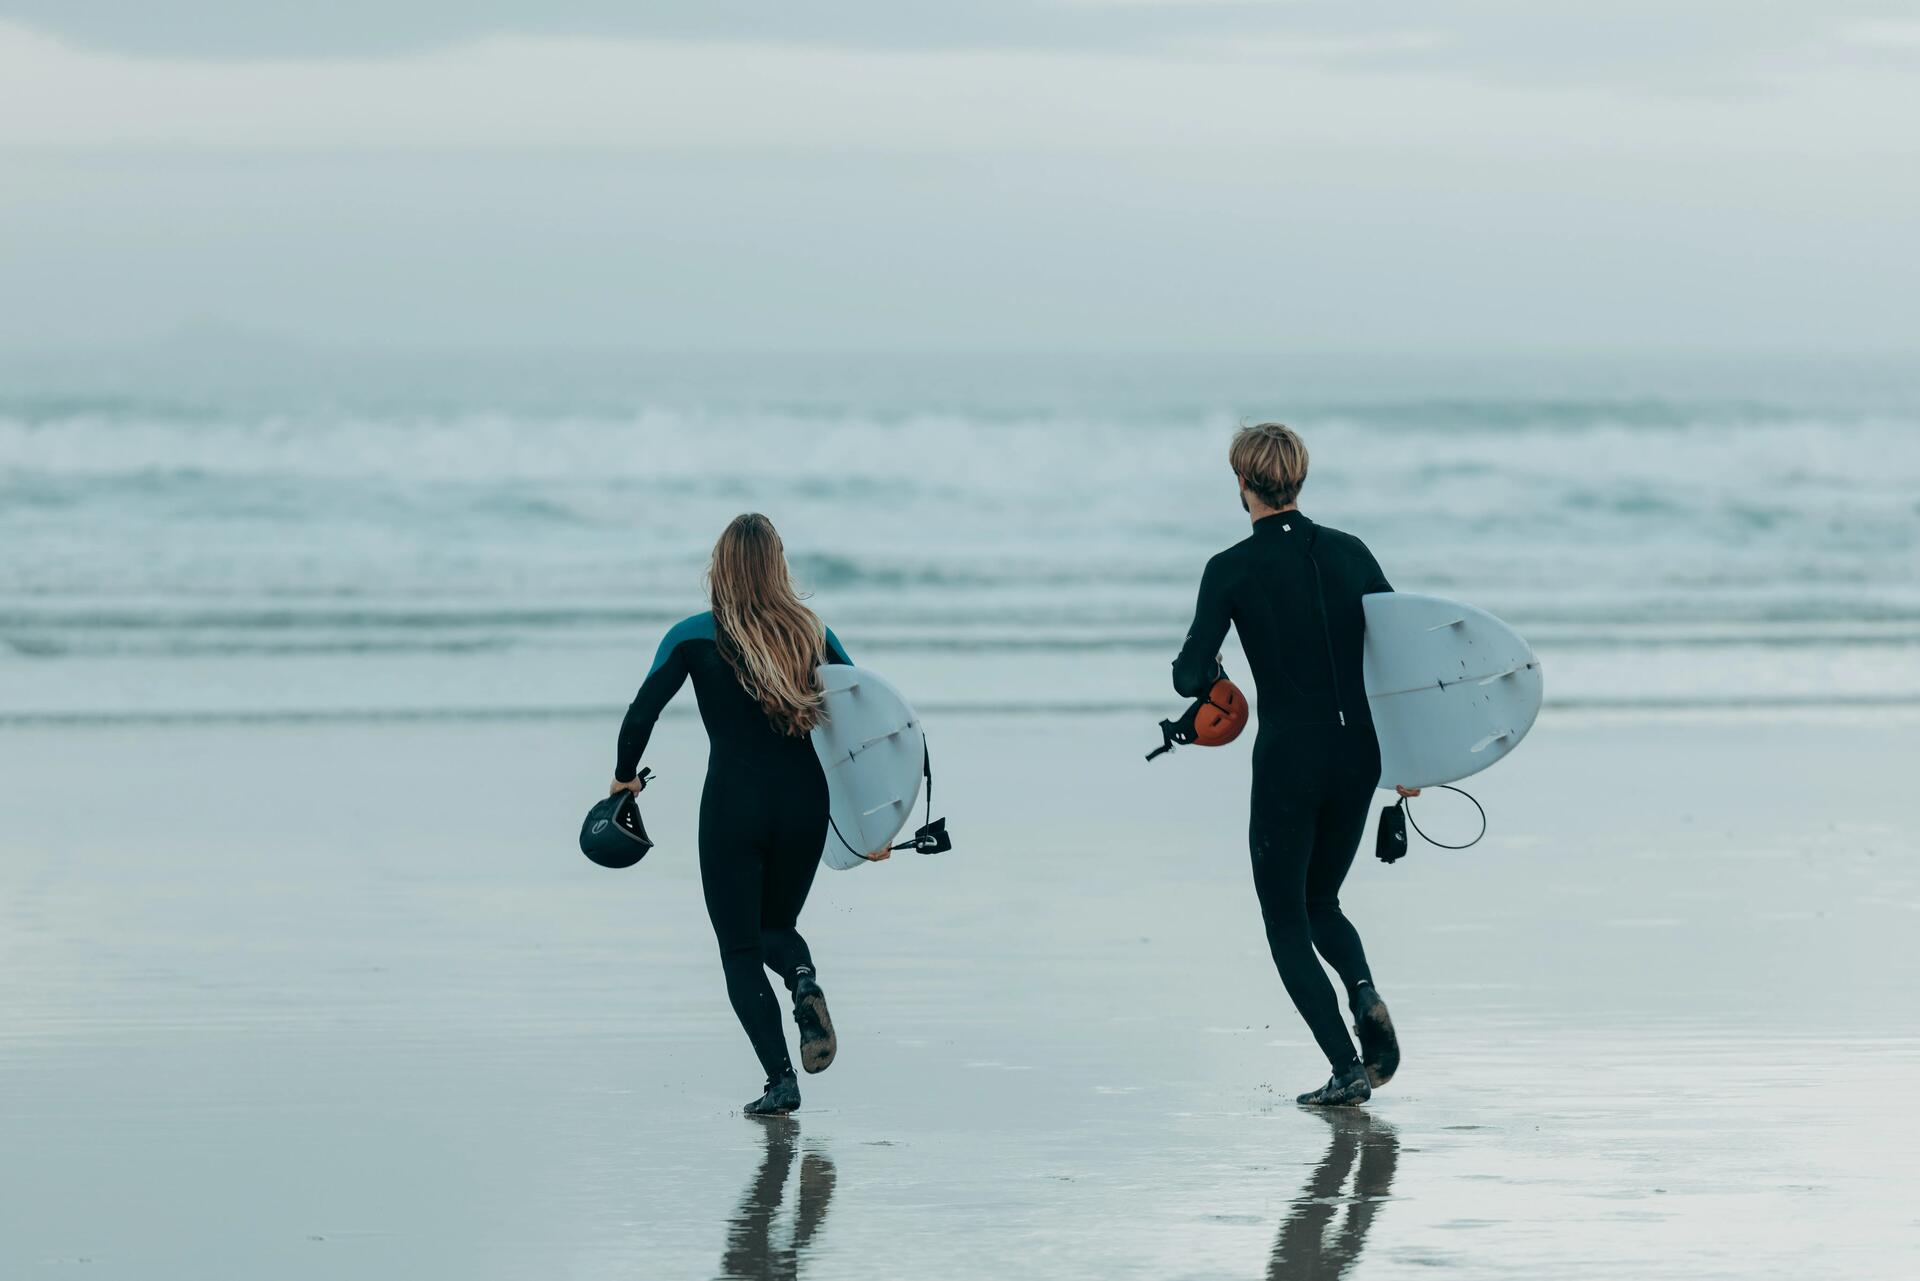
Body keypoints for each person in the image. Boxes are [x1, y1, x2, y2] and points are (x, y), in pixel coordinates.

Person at [1170, 424, 1417, 1107]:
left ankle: (1346, 1065)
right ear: (1299, 479)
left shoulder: (1231, 567)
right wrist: (1412, 757)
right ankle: (1363, 990)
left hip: (1289, 759)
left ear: (1242, 483)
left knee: (1285, 917)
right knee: (1322, 901)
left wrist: (1210, 676)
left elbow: (1190, 672)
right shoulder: (1352, 553)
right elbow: (1400, 656)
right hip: (1358, 755)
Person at [610, 513, 887, 1116]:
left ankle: (780, 1080)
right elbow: (866, 719)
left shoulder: (692, 635)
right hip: (804, 806)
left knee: (740, 948)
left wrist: (624, 776)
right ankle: (804, 979)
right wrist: (877, 821)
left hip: (734, 807)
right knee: (773, 931)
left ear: (721, 567)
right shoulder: (811, 632)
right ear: (776, 568)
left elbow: (643, 711)